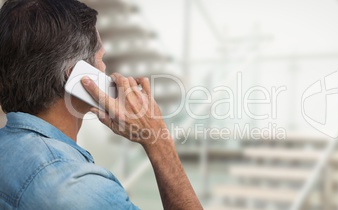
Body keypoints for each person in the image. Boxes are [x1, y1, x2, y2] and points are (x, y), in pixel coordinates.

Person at [0, 0, 202, 209]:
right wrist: (159, 142)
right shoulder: (77, 189)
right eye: (100, 58)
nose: (105, 68)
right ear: (77, 77)